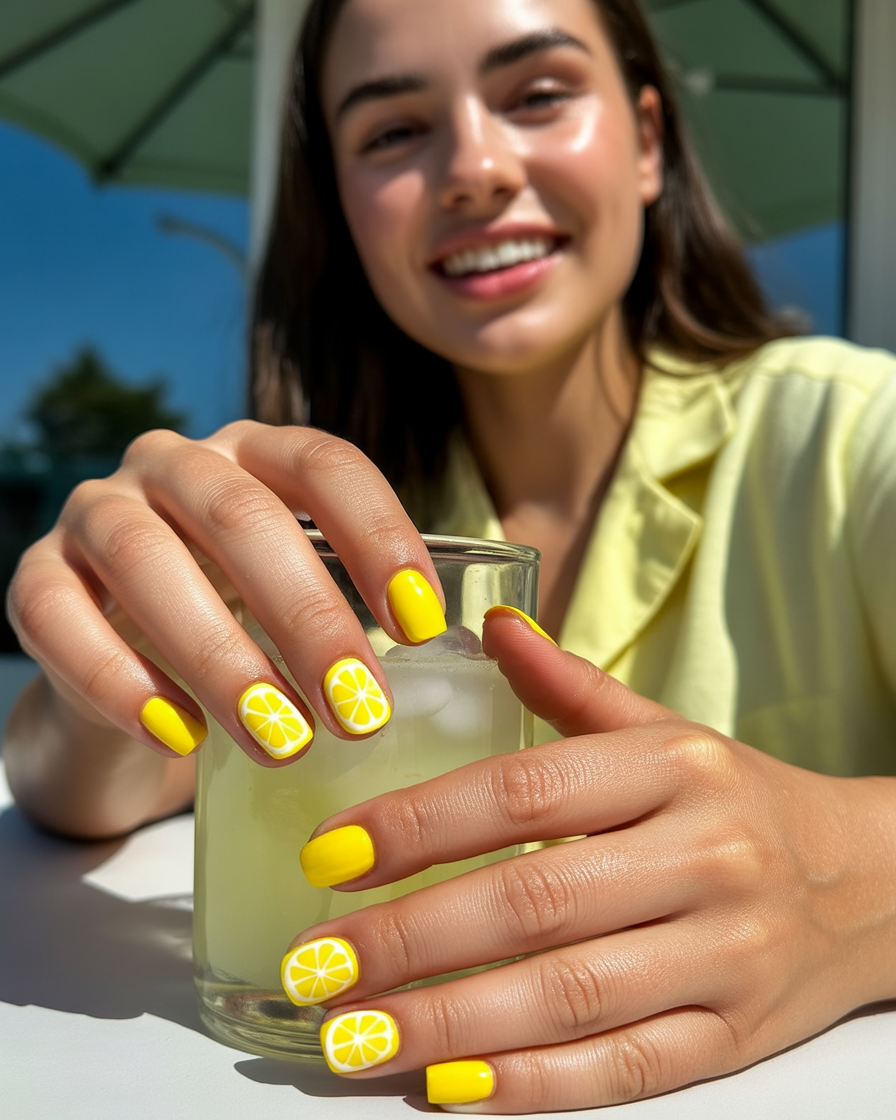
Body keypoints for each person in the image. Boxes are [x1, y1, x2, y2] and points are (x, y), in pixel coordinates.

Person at [4, 0, 896, 1111]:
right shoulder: (313, 523)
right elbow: (72, 792)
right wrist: (103, 692)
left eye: (536, 95)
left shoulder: (856, 440)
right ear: (341, 209)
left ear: (650, 145)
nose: (472, 167)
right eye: (390, 132)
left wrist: (856, 873)